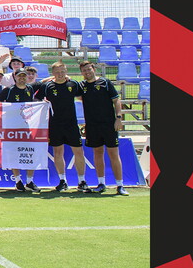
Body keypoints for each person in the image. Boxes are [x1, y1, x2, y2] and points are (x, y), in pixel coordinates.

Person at [35, 61, 89, 192]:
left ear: (66, 71)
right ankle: (62, 181)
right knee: (58, 152)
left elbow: (84, 97)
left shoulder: (73, 84)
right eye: (57, 72)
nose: (60, 74)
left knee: (78, 152)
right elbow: (36, 99)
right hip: (55, 124)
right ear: (53, 73)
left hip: (71, 124)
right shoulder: (47, 86)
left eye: (62, 71)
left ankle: (82, 181)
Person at [77, 60, 128, 195]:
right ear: (81, 73)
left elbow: (116, 100)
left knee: (113, 154)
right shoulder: (82, 86)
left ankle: (120, 185)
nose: (87, 72)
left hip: (109, 125)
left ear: (93, 69)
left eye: (89, 69)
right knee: (97, 154)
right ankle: (101, 183)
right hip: (93, 126)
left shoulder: (105, 82)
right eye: (84, 70)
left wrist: (118, 119)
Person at [0, 68, 40, 192]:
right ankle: (18, 181)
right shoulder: (9, 90)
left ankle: (30, 181)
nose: (22, 78)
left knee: (30, 153)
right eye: (19, 76)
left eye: (24, 76)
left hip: (27, 126)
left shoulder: (30, 89)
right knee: (14, 154)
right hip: (12, 127)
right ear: (15, 77)